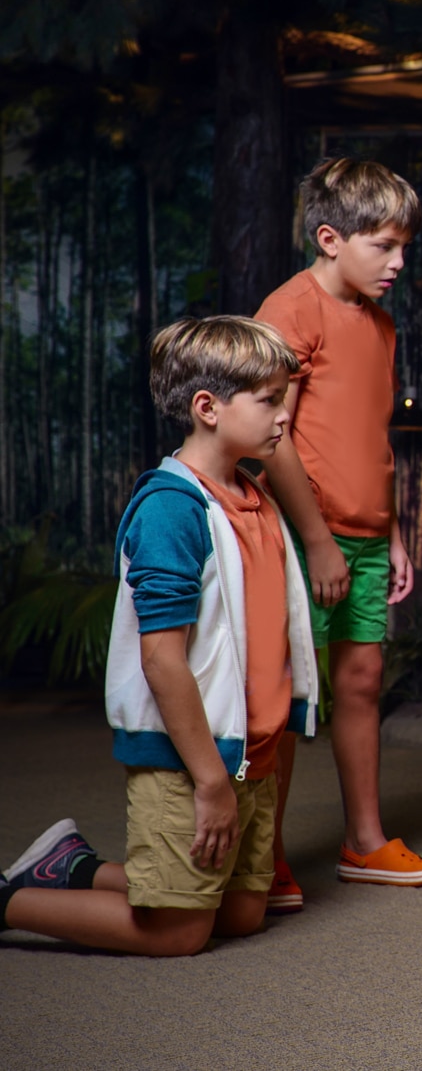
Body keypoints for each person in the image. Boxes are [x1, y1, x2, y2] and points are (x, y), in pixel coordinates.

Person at [0, 318, 316, 954]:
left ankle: (74, 869)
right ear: (208, 408)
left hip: (252, 754)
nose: (285, 417)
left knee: (242, 914)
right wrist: (210, 783)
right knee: (177, 933)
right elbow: (162, 661)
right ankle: (11, 900)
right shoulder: (172, 509)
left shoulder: (253, 495)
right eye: (270, 400)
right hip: (191, 761)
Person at [256, 158, 422, 903]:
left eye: (404, 248)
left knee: (361, 682)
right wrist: (321, 539)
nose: (398, 263)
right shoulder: (288, 311)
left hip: (365, 535)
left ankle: (365, 841)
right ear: (331, 237)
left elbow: (370, 436)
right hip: (305, 539)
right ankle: (260, 856)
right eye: (384, 246)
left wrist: (390, 533)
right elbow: (273, 437)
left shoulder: (381, 320)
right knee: (289, 693)